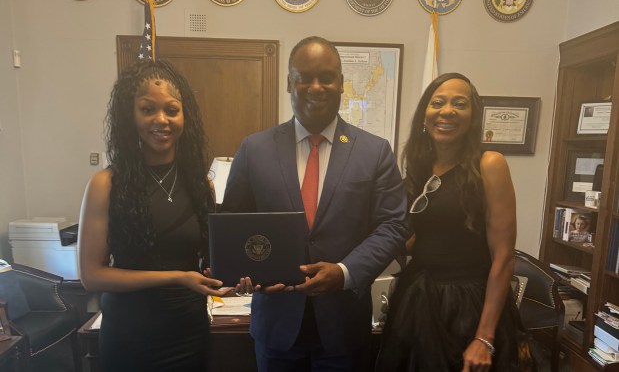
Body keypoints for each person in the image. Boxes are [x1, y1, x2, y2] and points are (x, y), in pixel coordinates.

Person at [221, 36, 408, 372]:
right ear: (289, 83)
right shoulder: (254, 150)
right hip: (276, 327)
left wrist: (344, 272)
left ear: (341, 83)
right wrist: (244, 271)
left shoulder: (374, 152)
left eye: (327, 77)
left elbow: (393, 226)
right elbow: (234, 225)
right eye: (303, 77)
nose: (315, 87)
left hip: (343, 328)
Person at [78, 59, 230, 371]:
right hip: (131, 337)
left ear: (184, 115)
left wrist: (229, 276)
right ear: (129, 116)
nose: (161, 120)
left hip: (189, 333)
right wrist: (176, 277)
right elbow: (91, 275)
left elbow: (205, 262)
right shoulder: (106, 185)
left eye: (171, 110)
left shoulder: (201, 184)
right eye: (147, 109)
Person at [376, 72, 526, 371]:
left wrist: (484, 338)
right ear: (424, 115)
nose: (447, 111)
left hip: (467, 306)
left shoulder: (490, 164)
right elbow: (426, 238)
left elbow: (504, 257)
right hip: (418, 299)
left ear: (473, 117)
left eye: (460, 103)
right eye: (438, 103)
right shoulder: (419, 168)